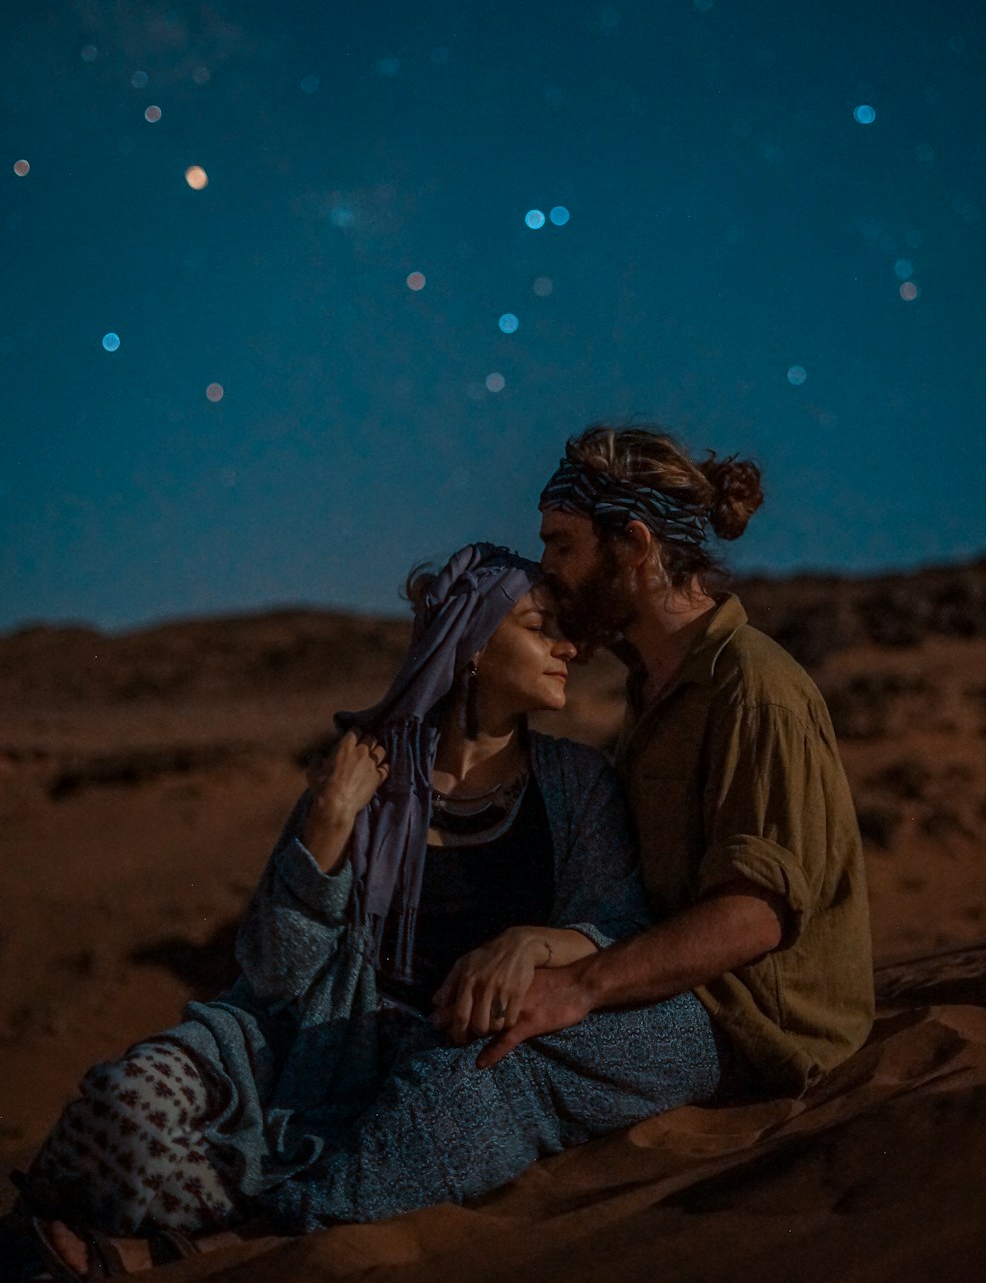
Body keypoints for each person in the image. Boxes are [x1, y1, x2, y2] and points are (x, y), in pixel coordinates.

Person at [21, 543, 733, 1278]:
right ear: (470, 646)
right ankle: (44, 1225)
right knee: (125, 1102)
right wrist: (327, 825)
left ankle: (230, 1239)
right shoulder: (369, 774)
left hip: (452, 1059)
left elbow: (615, 924)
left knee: (447, 1106)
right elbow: (273, 973)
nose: (569, 647)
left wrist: (536, 943)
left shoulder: (576, 784)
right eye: (538, 627)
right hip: (317, 1048)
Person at [477, 428, 875, 1101]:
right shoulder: (653, 686)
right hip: (679, 988)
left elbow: (755, 915)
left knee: (490, 1068)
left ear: (634, 546)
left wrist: (581, 986)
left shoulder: (753, 687)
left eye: (564, 544)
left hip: (755, 1024)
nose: (547, 569)